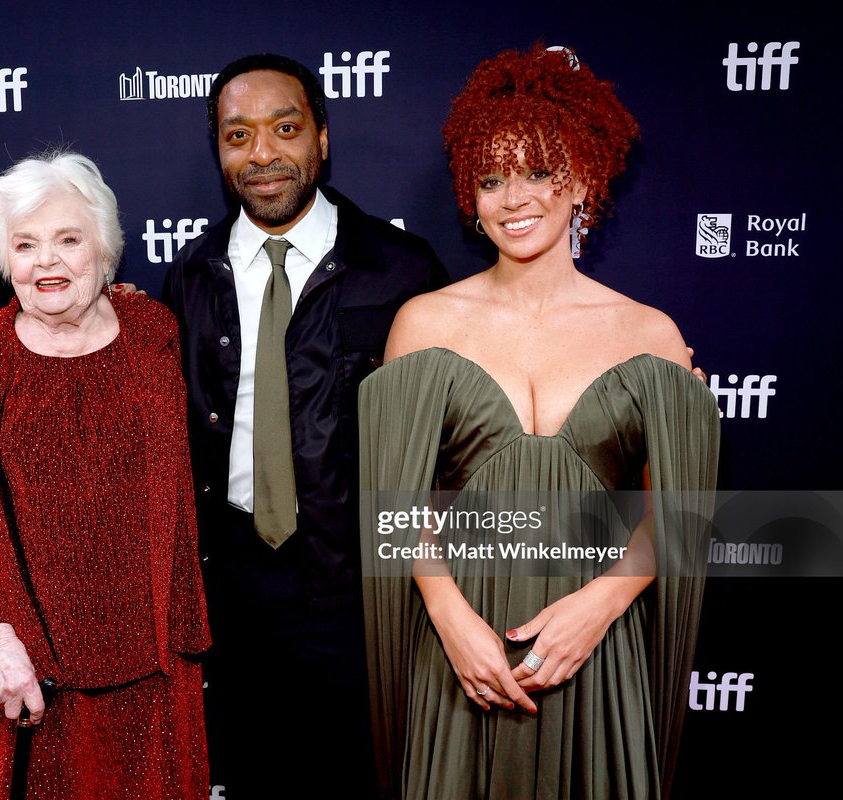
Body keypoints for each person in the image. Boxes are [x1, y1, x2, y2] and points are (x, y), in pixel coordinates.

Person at [361, 46, 720, 799]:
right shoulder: (422, 324)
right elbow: (396, 505)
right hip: (461, 648)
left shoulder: (650, 334)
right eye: (491, 178)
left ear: (582, 178)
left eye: (538, 171)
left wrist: (603, 604)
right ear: (470, 192)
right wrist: (447, 614)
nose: (513, 198)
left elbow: (678, 516)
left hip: (594, 650)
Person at [161, 54, 447, 799]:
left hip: (362, 592)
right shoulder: (190, 275)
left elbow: (465, 427)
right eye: (238, 135)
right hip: (235, 597)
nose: (261, 154)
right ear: (218, 150)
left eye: (284, 129)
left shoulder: (401, 268)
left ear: (322, 136)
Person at [0, 151, 211, 800]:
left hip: (155, 656)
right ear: (4, 260)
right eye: (24, 245)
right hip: (35, 666)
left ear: (105, 251)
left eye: (67, 239)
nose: (46, 261)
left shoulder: (153, 331)